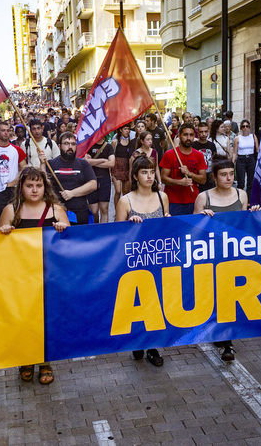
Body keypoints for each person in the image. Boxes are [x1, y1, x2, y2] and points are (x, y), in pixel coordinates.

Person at [0, 167, 69, 383]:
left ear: (45, 187)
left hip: (49, 276)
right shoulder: (12, 210)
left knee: (46, 320)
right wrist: (3, 232)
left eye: (39, 185)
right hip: (21, 276)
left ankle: (45, 362)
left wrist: (63, 228)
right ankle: (26, 359)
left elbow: (69, 244)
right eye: (30, 185)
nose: (35, 189)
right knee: (24, 319)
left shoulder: (55, 210)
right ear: (22, 187)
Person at [194, 159, 261, 361]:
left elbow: (242, 226)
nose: (229, 178)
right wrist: (202, 217)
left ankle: (228, 343)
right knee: (215, 297)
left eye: (231, 173)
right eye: (223, 174)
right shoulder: (203, 197)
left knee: (229, 297)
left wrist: (253, 215)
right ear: (214, 177)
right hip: (211, 256)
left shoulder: (241, 194)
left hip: (233, 255)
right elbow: (193, 230)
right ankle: (218, 331)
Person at [115, 155, 170, 367]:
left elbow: (167, 227)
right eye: (144, 172)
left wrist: (168, 222)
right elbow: (118, 236)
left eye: (151, 171)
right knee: (138, 302)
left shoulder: (161, 197)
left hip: (157, 258)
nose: (149, 176)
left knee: (156, 303)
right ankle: (138, 341)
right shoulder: (125, 201)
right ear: (136, 176)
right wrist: (129, 225)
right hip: (134, 260)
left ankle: (153, 346)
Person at [47, 132, 97, 225]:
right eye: (66, 143)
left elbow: (93, 184)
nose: (70, 147)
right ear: (59, 146)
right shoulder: (51, 164)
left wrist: (72, 193)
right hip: (57, 213)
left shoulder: (83, 164)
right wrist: (42, 164)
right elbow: (43, 185)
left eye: (73, 144)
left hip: (79, 213)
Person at [0, 121, 28, 220]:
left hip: (14, 189)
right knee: (2, 217)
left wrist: (14, 182)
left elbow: (25, 169)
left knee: (16, 216)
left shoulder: (17, 150)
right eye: (3, 130)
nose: (6, 133)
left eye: (8, 130)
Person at [160, 123, 208, 215]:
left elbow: (203, 180)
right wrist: (179, 182)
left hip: (193, 199)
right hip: (172, 201)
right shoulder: (169, 154)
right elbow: (163, 178)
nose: (188, 138)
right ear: (179, 136)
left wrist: (190, 174)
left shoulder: (199, 155)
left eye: (191, 135)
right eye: (185, 135)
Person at [84, 136, 115, 223]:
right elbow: (86, 161)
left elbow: (112, 163)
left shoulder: (108, 147)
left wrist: (93, 163)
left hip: (104, 179)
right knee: (94, 210)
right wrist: (102, 160)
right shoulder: (89, 146)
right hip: (92, 180)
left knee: (104, 209)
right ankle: (96, 226)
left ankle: (103, 230)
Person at [232, 119, 259, 199]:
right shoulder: (237, 138)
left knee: (250, 182)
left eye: (247, 126)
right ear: (241, 128)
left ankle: (249, 200)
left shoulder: (253, 137)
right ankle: (240, 198)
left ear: (249, 127)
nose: (245, 128)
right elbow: (234, 152)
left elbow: (257, 150)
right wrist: (232, 163)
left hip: (251, 159)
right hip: (241, 159)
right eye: (243, 126)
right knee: (241, 182)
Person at [111, 125, 134, 207]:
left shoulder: (131, 142)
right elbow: (111, 155)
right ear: (120, 130)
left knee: (125, 192)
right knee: (118, 190)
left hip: (127, 167)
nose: (127, 131)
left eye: (128, 129)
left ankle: (124, 210)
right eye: (125, 129)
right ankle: (117, 210)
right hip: (116, 167)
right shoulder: (115, 142)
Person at [192, 122, 217, 192]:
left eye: (205, 131)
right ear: (198, 132)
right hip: (198, 175)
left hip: (209, 175)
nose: (203, 134)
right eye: (201, 132)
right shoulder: (193, 146)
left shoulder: (212, 145)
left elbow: (215, 160)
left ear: (208, 131)